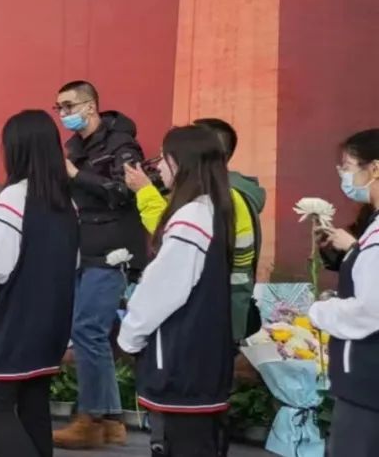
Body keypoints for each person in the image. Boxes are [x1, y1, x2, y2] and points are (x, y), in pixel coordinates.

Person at [0, 111, 79, 457]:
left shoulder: (14, 198)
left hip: (14, 321)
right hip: (53, 320)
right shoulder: (66, 202)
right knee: (34, 405)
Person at [117, 125, 235, 457]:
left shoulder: (190, 218)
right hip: (205, 356)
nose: (159, 167)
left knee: (182, 443)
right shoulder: (214, 209)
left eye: (163, 159)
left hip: (181, 359)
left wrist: (130, 336)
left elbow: (162, 290)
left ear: (179, 163)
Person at [52, 80, 145, 449]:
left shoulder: (122, 145)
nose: (63, 114)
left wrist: (77, 175)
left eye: (69, 106)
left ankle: (91, 417)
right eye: (59, 108)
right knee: (94, 334)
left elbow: (125, 192)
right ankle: (111, 419)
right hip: (84, 246)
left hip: (114, 248)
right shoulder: (74, 147)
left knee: (88, 329)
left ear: (90, 106)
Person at [124, 116, 265, 344]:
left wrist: (145, 192)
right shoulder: (217, 196)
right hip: (219, 311)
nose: (160, 164)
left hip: (214, 315)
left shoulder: (219, 201)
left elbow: (173, 239)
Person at [310, 129, 379, 457]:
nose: (344, 176)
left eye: (348, 167)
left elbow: (371, 308)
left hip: (367, 378)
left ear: (375, 168)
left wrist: (322, 310)